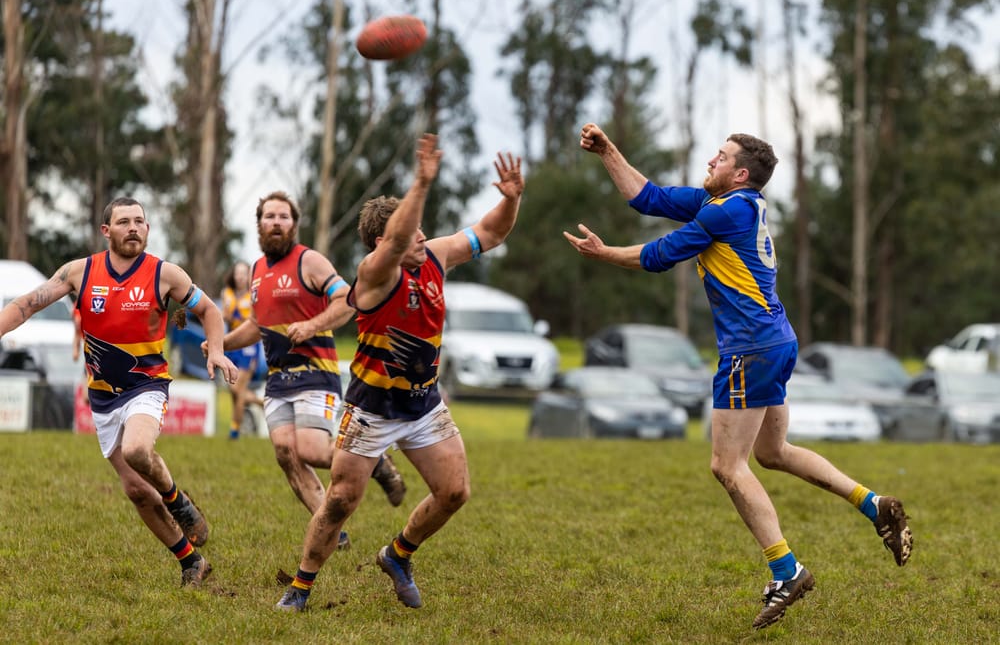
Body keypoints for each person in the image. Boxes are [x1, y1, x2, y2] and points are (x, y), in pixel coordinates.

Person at [564, 123, 913, 630]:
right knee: (773, 453)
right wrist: (608, 151)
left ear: (741, 174)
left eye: (721, 157)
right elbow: (647, 198)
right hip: (774, 341)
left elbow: (658, 257)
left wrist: (603, 254)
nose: (711, 161)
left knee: (727, 466)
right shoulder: (726, 204)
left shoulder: (726, 211)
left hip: (749, 349)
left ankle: (787, 570)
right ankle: (874, 505)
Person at [276, 134, 525, 612]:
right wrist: (422, 183)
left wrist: (510, 200)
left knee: (454, 492)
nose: (422, 236)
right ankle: (300, 588)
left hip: (423, 404)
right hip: (371, 409)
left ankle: (398, 554)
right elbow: (396, 239)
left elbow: (490, 233)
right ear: (383, 242)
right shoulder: (375, 273)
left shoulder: (436, 255)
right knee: (341, 501)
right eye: (412, 232)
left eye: (421, 230)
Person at [0, 197, 237, 588]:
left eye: (140, 221)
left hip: (147, 386)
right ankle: (191, 562)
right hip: (103, 397)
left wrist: (217, 350)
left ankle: (177, 500)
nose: (133, 228)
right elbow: (27, 304)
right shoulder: (79, 272)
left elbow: (210, 311)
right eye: (124, 221)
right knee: (137, 490)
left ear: (147, 229)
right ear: (106, 230)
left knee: (137, 450)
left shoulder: (165, 274)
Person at [210, 190, 407, 536]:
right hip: (278, 378)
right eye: (269, 216)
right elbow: (257, 324)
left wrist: (312, 325)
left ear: (294, 224)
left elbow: (348, 300)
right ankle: (331, 532)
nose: (276, 222)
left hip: (316, 372)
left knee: (313, 451)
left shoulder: (309, 261)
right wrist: (219, 343)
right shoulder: (257, 270)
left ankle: (373, 459)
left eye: (283, 217)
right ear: (259, 224)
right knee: (286, 453)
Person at [220, 260, 264, 439]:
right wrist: (225, 316)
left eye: (244, 273)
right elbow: (224, 316)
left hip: (249, 346)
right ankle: (259, 404)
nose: (240, 277)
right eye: (237, 273)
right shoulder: (226, 293)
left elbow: (256, 321)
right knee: (234, 391)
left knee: (238, 389)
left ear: (249, 276)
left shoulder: (253, 295)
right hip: (232, 344)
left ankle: (234, 432)